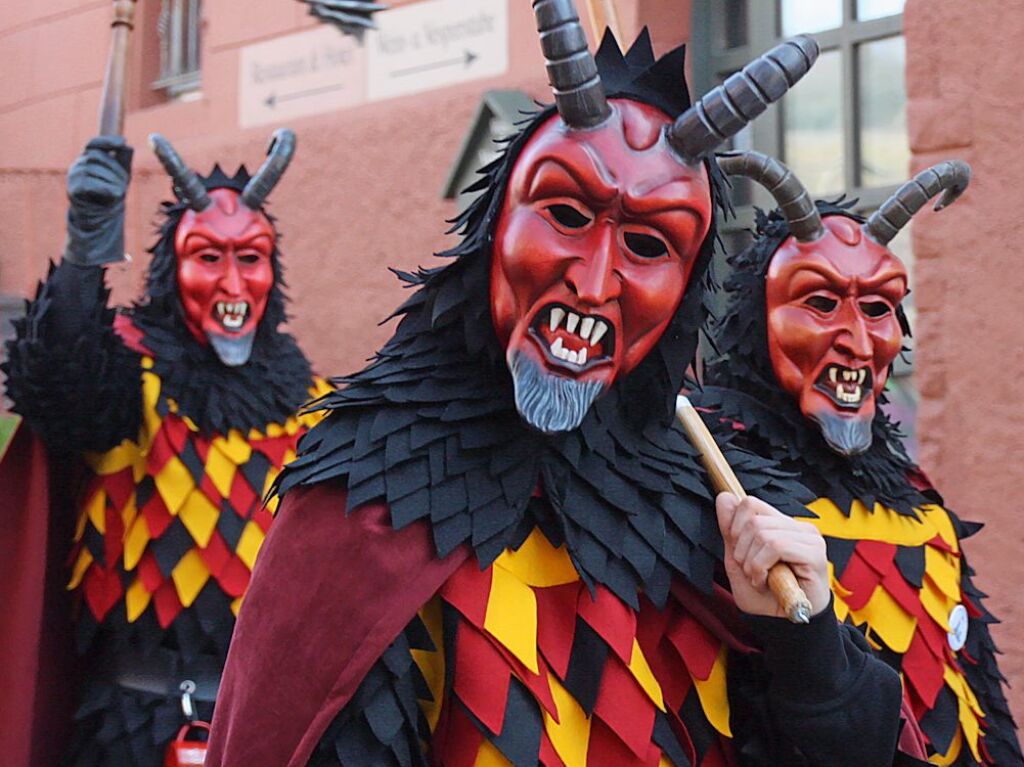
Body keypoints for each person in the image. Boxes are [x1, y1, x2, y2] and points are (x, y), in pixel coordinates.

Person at [207, 3, 907, 765]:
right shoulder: (370, 483)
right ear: (496, 226)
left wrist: (811, 655)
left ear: (683, 294)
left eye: (647, 243)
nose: (596, 280)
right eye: (567, 213)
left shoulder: (725, 497)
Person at [3, 129, 330, 765]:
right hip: (127, 727)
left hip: (261, 729)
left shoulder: (312, 397)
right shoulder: (128, 369)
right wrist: (86, 246)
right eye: (209, 257)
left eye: (251, 258)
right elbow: (59, 383)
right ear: (172, 269)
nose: (234, 284)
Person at [696, 150, 1022, 765]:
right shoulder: (709, 474)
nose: (858, 339)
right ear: (756, 320)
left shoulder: (916, 494)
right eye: (821, 304)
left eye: (878, 308)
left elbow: (976, 690)